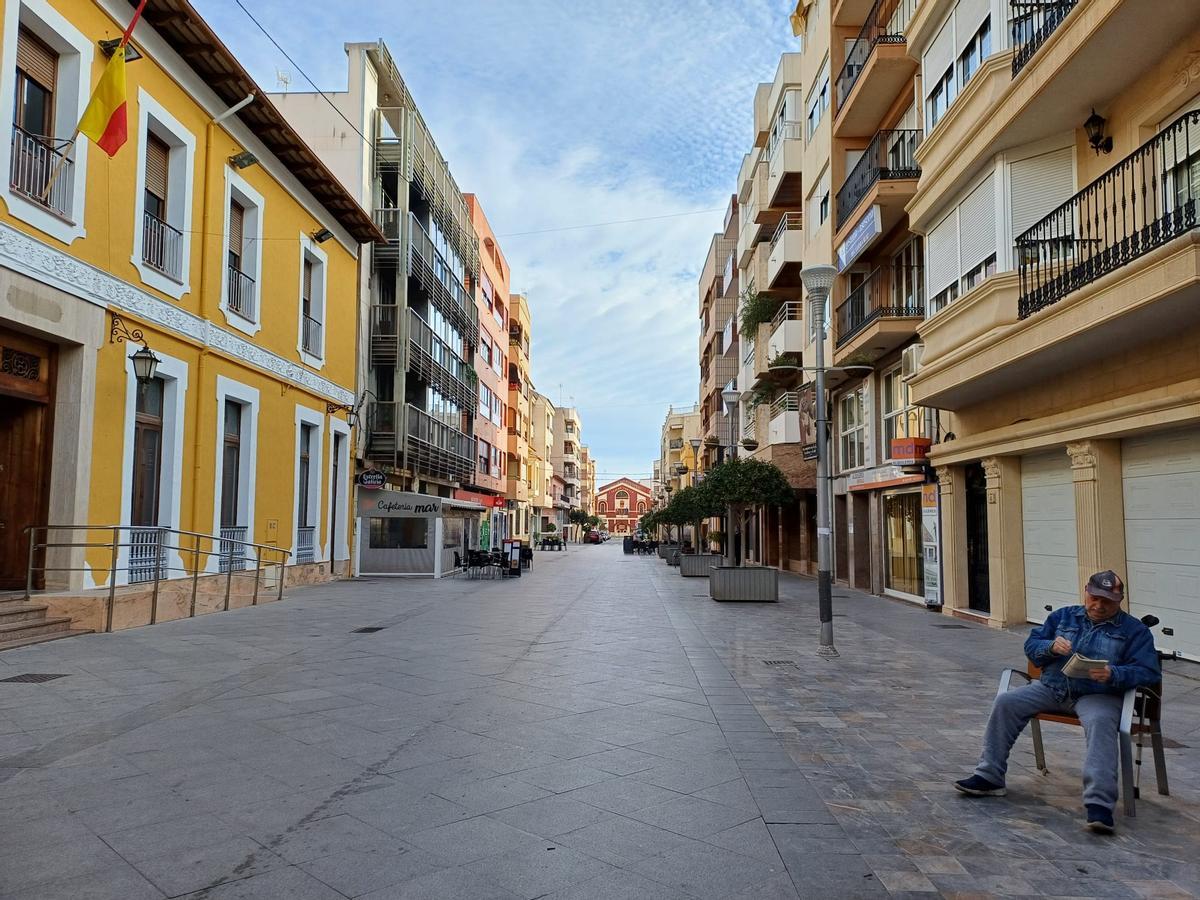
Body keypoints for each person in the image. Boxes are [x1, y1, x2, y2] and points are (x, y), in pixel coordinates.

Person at [954, 570, 1160, 834]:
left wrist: (1114, 674)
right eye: (1094, 598)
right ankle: (989, 776)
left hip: (1096, 695)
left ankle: (1099, 804)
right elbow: (1032, 645)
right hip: (1051, 688)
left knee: (1100, 722)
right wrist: (1049, 647)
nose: (1099, 605)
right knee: (1007, 701)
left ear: (1119, 599)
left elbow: (1148, 671)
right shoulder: (1063, 616)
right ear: (1086, 591)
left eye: (1107, 601)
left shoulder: (1134, 631)